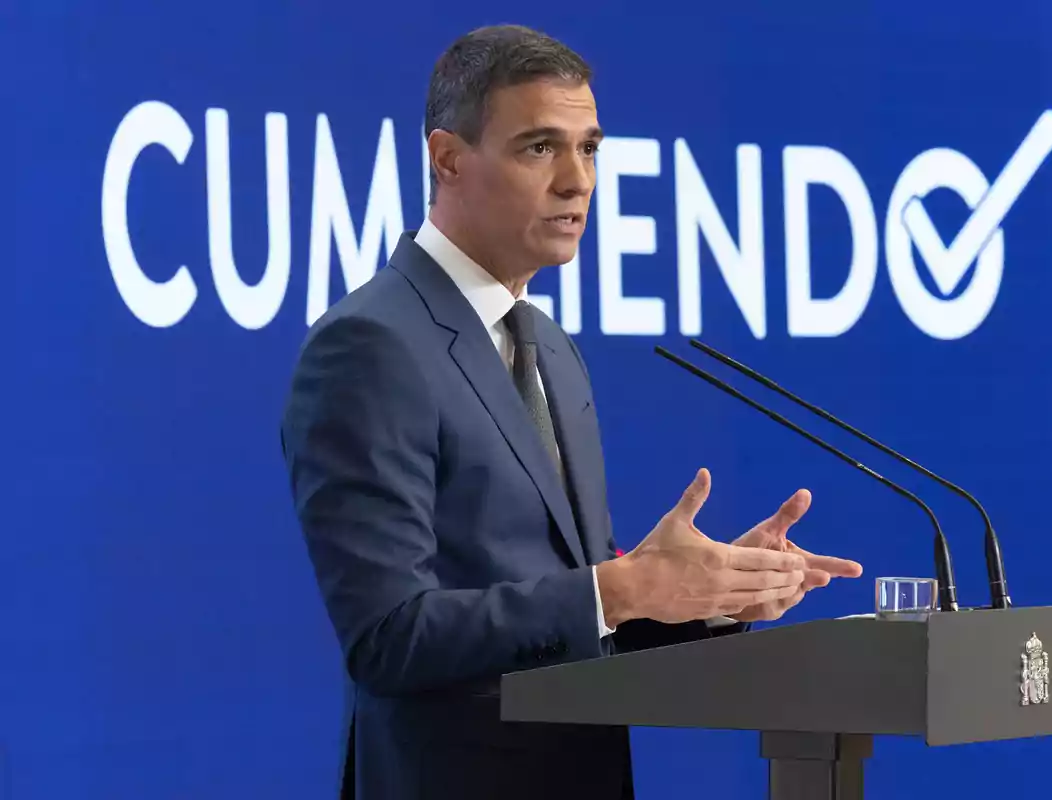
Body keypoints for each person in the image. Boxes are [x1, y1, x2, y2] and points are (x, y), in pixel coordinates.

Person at [280, 24, 863, 800]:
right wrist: (619, 589)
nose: (576, 181)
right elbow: (390, 637)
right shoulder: (370, 346)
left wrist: (707, 595)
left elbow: (574, 611)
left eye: (589, 148)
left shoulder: (548, 346)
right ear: (448, 158)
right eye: (538, 148)